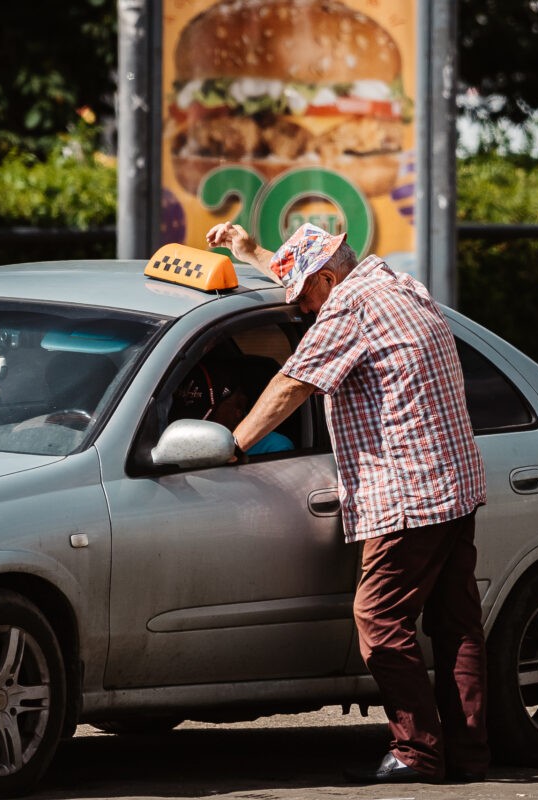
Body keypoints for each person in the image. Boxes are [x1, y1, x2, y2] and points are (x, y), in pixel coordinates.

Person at [206, 221, 488, 785]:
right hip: (454, 484)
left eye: (304, 297)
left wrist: (232, 443)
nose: (302, 310)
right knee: (455, 622)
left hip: (408, 494)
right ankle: (468, 753)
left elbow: (292, 384)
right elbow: (313, 273)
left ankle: (417, 752)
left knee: (379, 620)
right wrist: (249, 252)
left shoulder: (346, 310)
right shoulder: (394, 283)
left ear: (329, 280)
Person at [172, 356, 294, 455]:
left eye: (210, 418)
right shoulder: (180, 439)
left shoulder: (274, 447)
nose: (196, 428)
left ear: (239, 407)